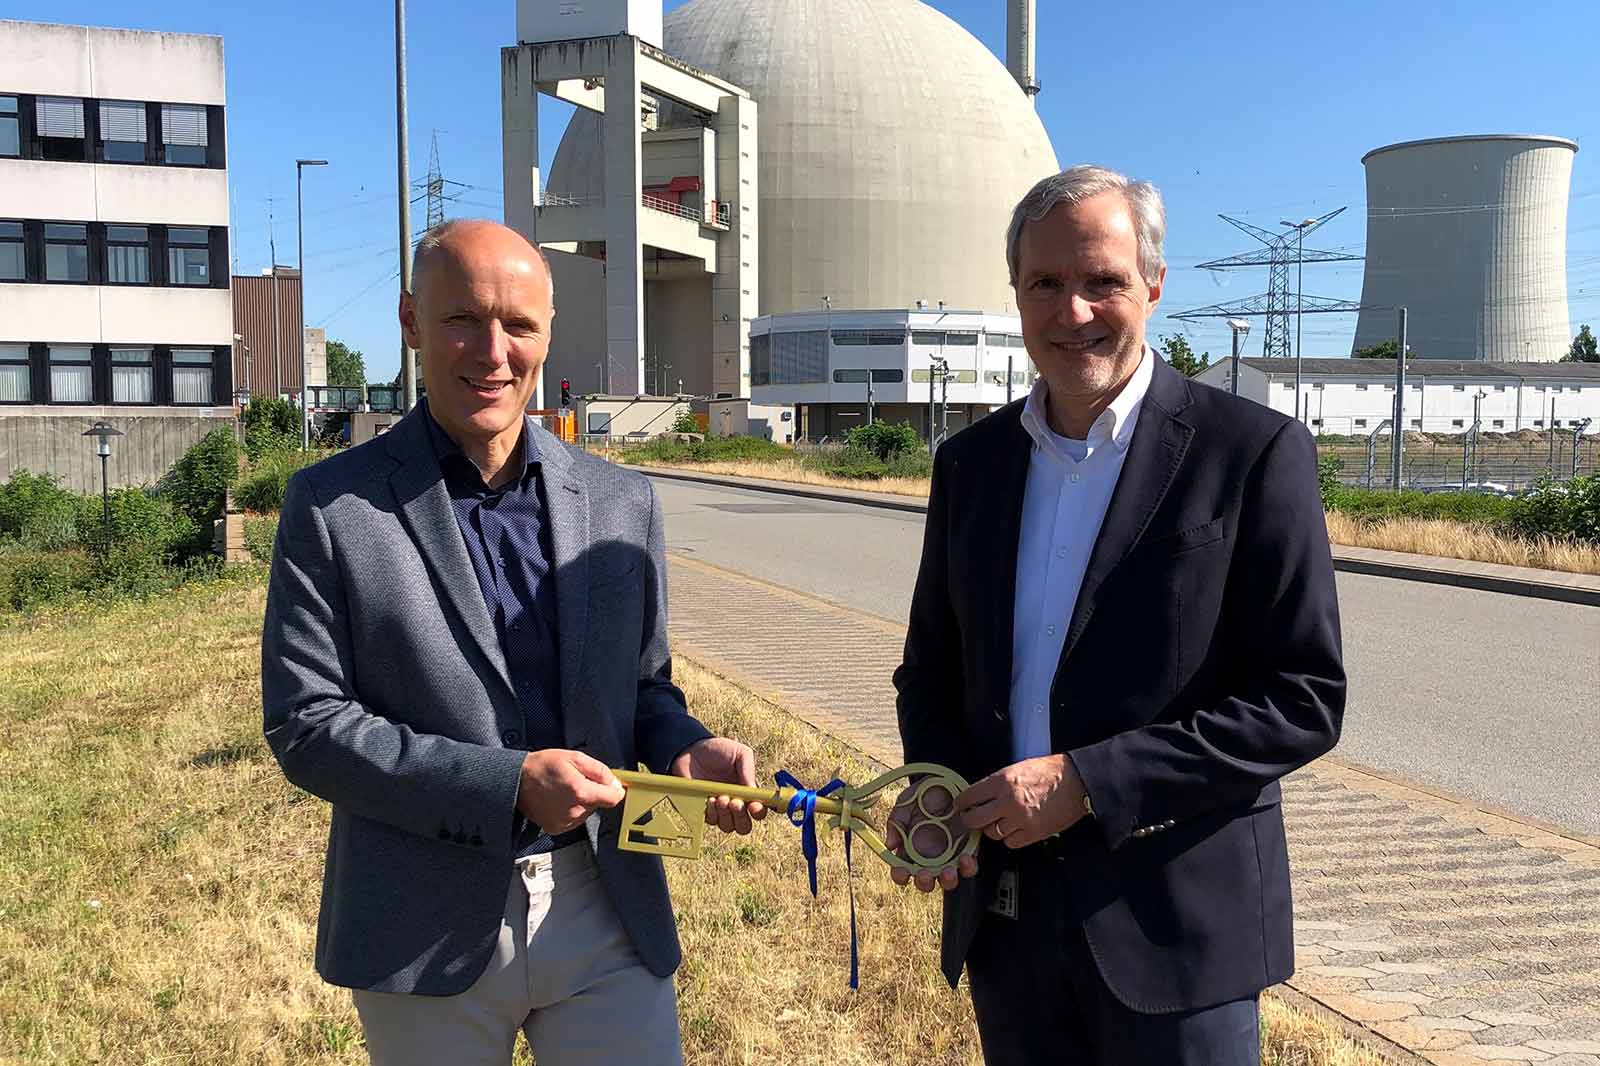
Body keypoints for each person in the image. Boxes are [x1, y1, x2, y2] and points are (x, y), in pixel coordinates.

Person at [261, 219, 763, 1066]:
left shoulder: (621, 501)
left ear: (548, 333)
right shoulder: (332, 508)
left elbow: (645, 689)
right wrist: (506, 786)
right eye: (463, 319)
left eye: (519, 325)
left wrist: (686, 749)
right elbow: (308, 726)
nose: (493, 352)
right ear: (410, 322)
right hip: (420, 920)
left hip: (606, 900)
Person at [890, 166, 1346, 1065]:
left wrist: (1093, 781)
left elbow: (1303, 698)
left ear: (1155, 285)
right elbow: (930, 669)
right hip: (1011, 927)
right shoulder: (970, 467)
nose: (1074, 312)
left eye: (1103, 281)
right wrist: (935, 787)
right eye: (1046, 285)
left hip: (1177, 933)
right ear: (1016, 294)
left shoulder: (1249, 454)